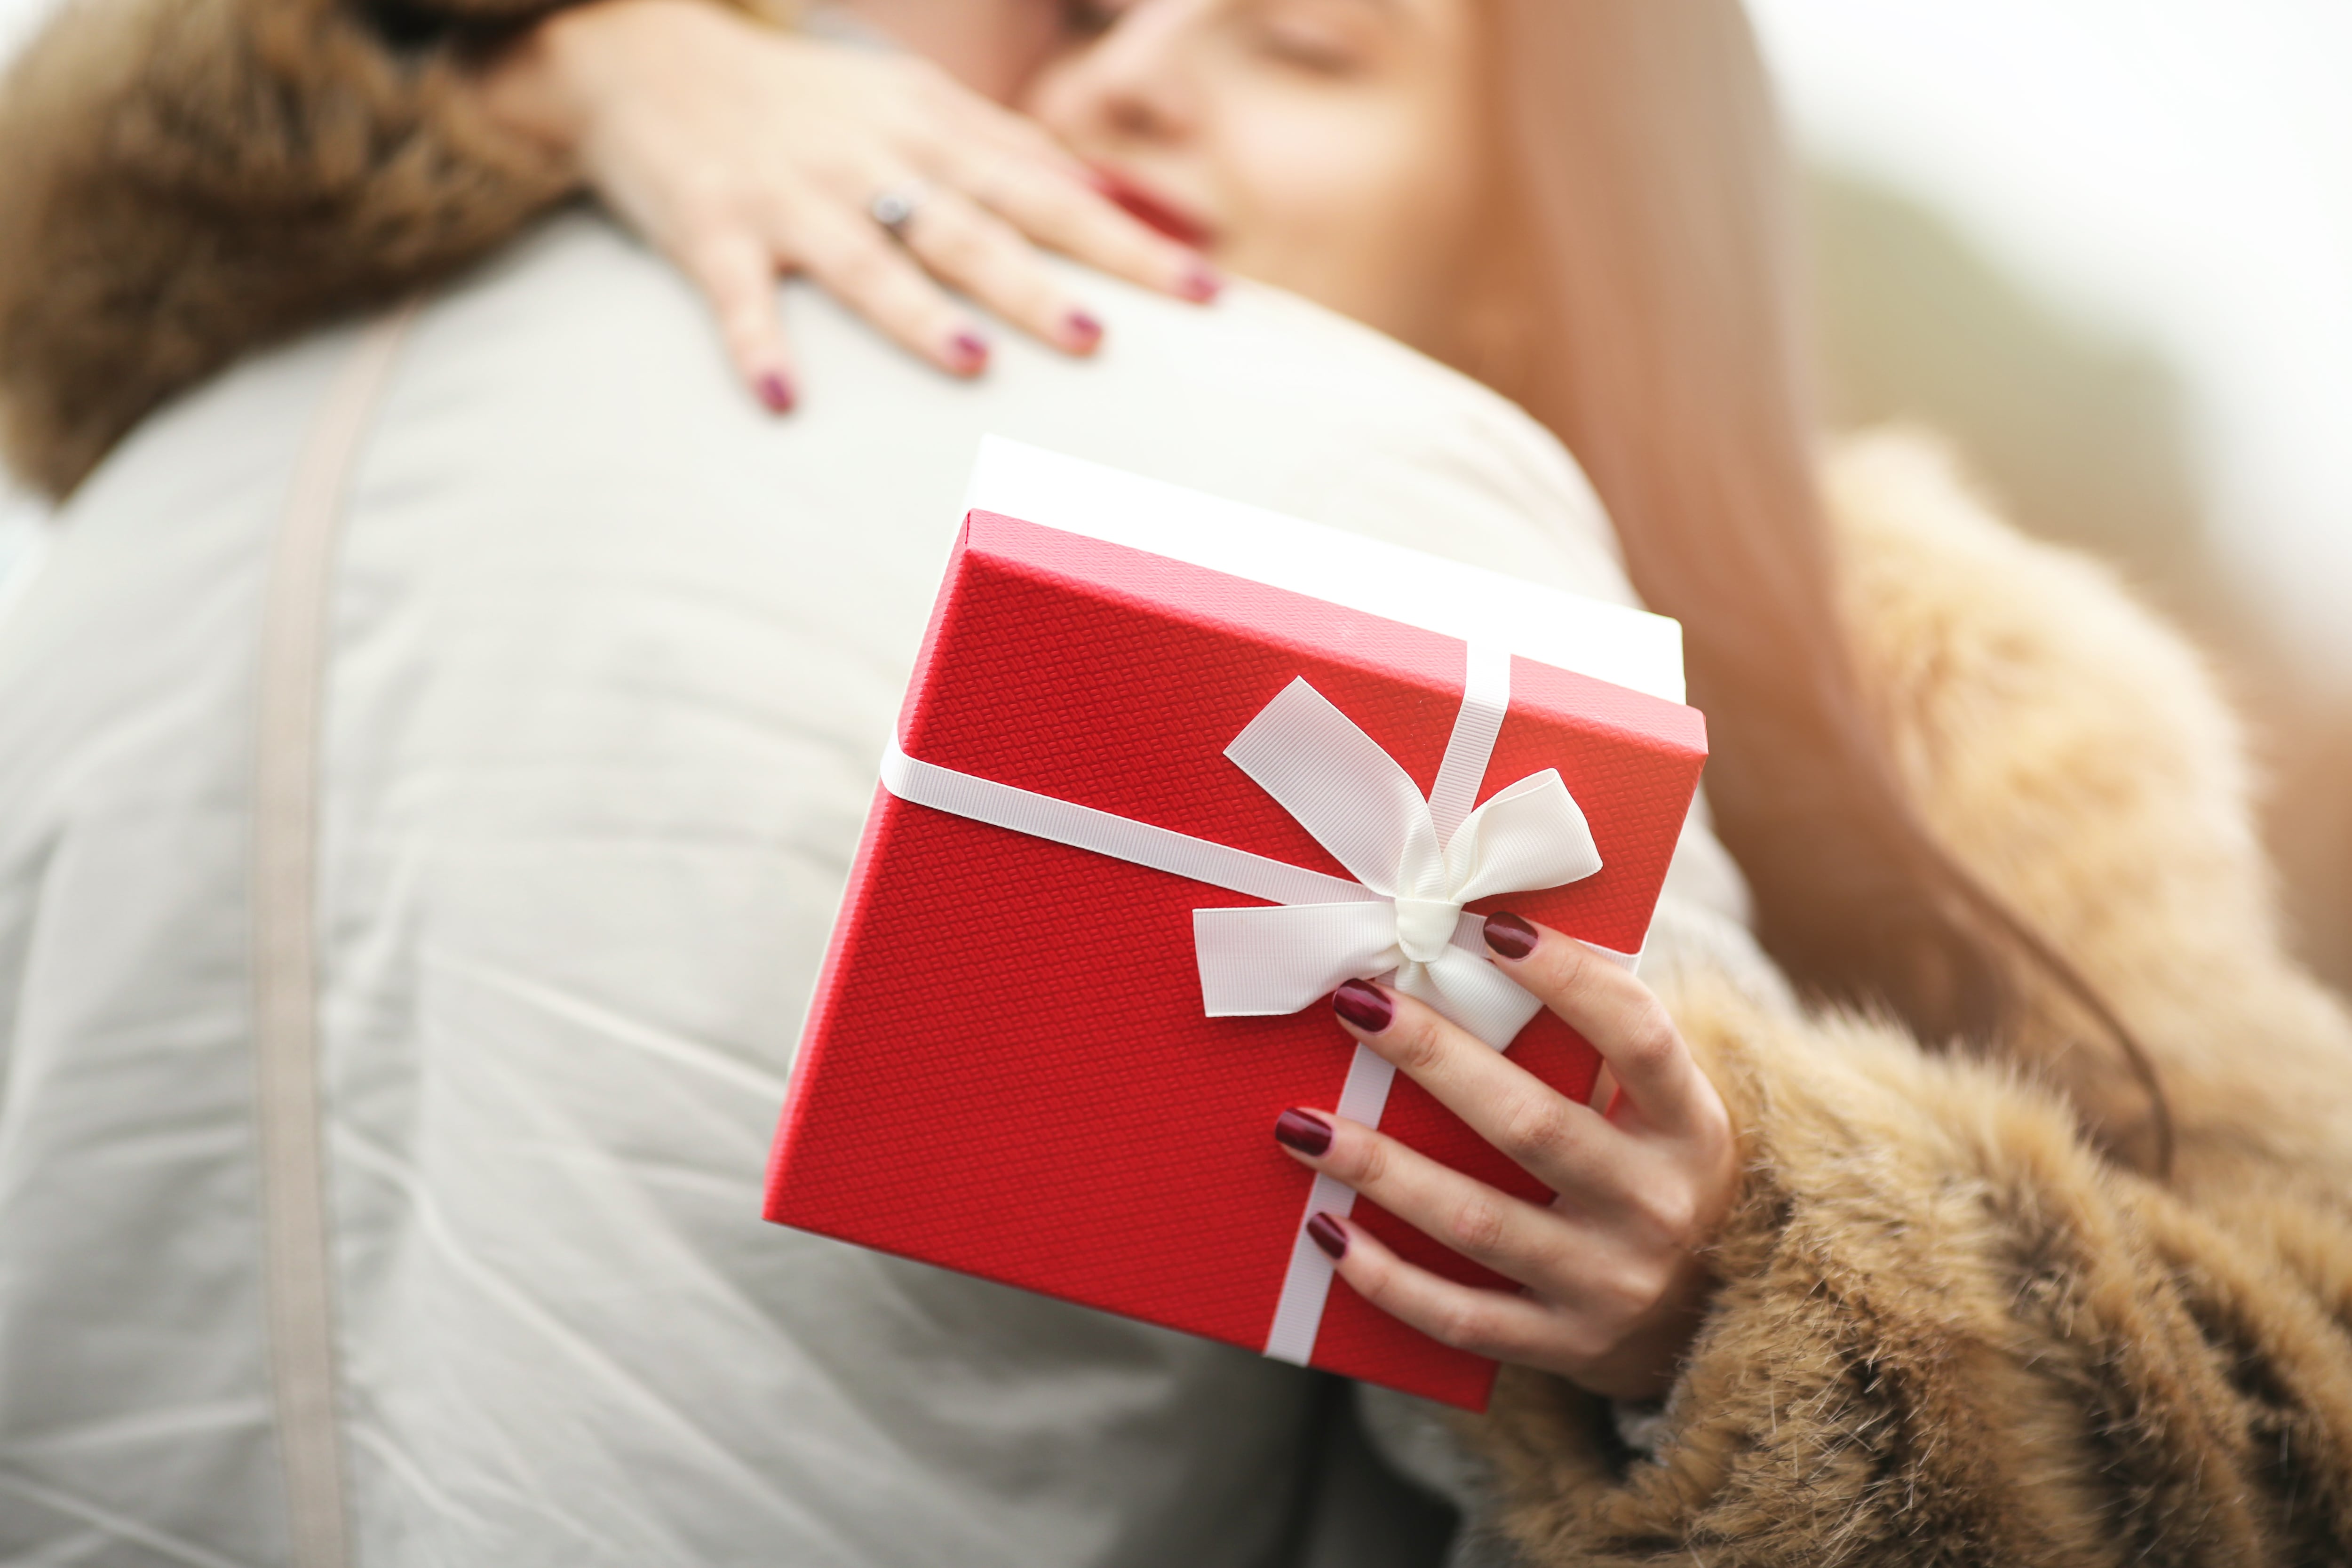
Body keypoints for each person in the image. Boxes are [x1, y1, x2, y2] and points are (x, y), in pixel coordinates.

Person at [4, 0, 2352, 1564]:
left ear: (1554, 242)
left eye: (1297, 44)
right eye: (1101, 11)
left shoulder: (1972, 705)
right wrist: (584, 63)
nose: (1126, 81)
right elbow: (91, 279)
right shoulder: (836, 500)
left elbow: (2297, 1423)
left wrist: (1741, 1289)